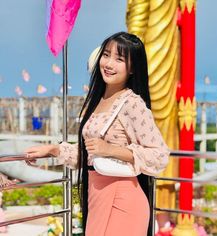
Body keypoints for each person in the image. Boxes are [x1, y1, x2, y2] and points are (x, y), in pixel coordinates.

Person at [25, 32, 169, 236]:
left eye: (119, 59)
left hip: (124, 199)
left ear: (133, 68)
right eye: (106, 55)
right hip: (97, 194)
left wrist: (112, 150)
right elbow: (89, 155)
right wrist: (53, 149)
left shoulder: (132, 104)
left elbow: (160, 155)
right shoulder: (97, 100)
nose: (109, 63)